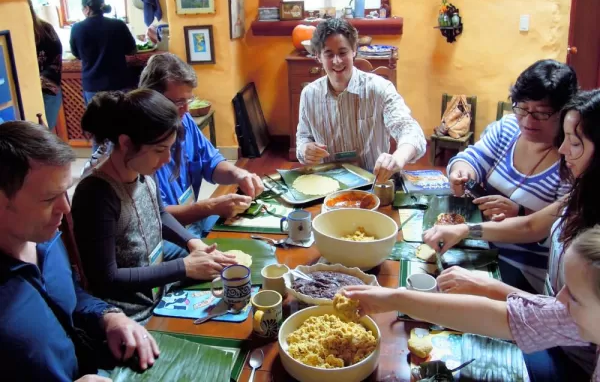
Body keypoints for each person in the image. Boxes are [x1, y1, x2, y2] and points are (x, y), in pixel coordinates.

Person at [423, 89, 600, 379]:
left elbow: (559, 316)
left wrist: (488, 287)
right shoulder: (581, 194)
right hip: (543, 326)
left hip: (572, 362)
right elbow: (531, 226)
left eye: (575, 143)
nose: (564, 150)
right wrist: (465, 229)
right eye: (566, 138)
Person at [0, 121, 158, 381]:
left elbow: (68, 296)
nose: (65, 208)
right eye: (49, 198)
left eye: (65, 192)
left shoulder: (45, 239)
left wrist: (108, 318)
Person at [343, 224, 600, 382]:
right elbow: (501, 317)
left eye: (574, 296)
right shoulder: (575, 316)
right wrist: (394, 298)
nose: (559, 298)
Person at [71, 89, 237, 324]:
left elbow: (159, 214)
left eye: (170, 148)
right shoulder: (96, 194)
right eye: (160, 150)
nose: (167, 159)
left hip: (158, 288)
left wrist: (193, 243)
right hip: (132, 315)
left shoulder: (142, 171)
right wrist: (184, 267)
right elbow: (105, 278)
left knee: (227, 274)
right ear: (126, 142)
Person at [445, 59, 577, 293]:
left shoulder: (572, 161)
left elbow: (548, 229)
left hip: (523, 266)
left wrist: (520, 211)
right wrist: (462, 170)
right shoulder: (507, 129)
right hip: (479, 245)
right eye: (522, 108)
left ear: (564, 112)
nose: (527, 121)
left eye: (542, 114)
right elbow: (472, 157)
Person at [139, 53, 264, 237]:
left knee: (251, 228)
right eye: (179, 102)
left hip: (192, 218)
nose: (187, 109)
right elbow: (157, 216)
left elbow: (211, 163)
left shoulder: (185, 120)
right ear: (152, 98)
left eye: (189, 100)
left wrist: (239, 174)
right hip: (164, 234)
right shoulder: (139, 141)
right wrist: (210, 207)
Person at [296, 18, 426, 182]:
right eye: (329, 54)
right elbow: (303, 138)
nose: (337, 61)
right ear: (318, 56)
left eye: (343, 52)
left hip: (374, 181)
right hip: (327, 184)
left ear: (354, 51)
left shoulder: (380, 88)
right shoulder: (309, 94)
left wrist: (397, 159)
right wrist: (305, 149)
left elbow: (410, 130)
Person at [69, 0, 136, 172]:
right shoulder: (117, 25)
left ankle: (98, 170)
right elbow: (131, 49)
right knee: (125, 126)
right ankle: (128, 167)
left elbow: (76, 53)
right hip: (120, 81)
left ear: (86, 8)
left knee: (98, 129)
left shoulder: (77, 28)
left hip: (93, 85)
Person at [28, 0, 63, 129]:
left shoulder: (45, 30)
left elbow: (56, 61)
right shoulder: (13, 31)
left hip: (47, 92)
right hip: (24, 92)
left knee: (43, 135)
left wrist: (37, 82)